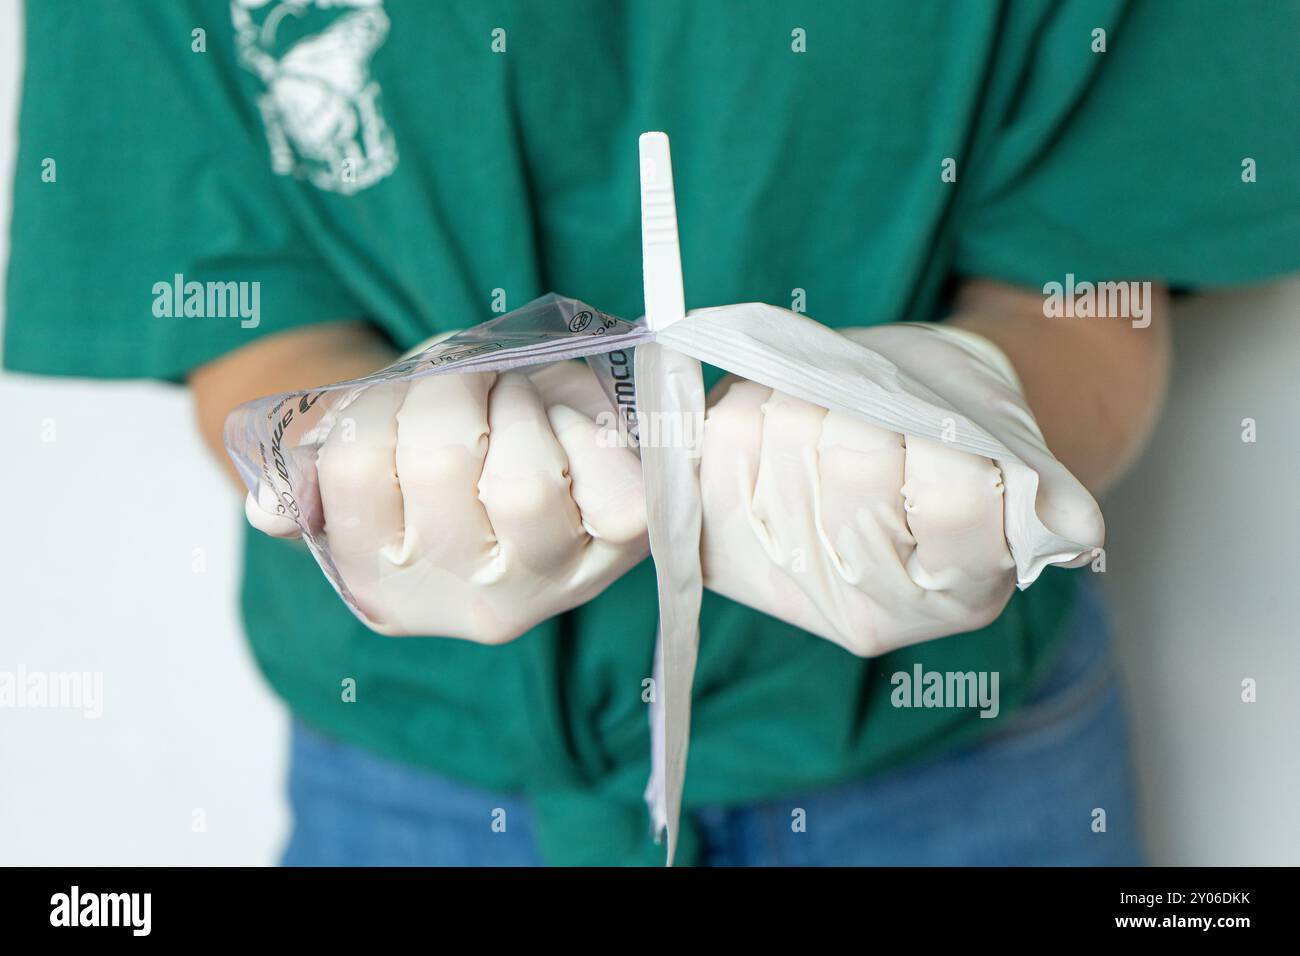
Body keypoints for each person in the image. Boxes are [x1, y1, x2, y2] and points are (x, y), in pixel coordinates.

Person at [6, 0, 1298, 866]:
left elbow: (1093, 285)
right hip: (420, 766)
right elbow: (236, 305)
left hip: (949, 759)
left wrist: (980, 400)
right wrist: (355, 465)